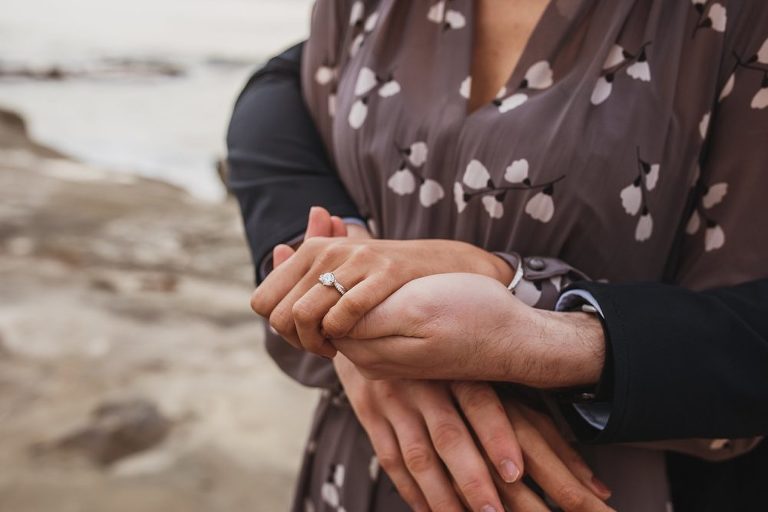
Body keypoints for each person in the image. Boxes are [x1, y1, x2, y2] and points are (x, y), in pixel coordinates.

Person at [227, 1, 768, 510]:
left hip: (621, 478)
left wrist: (546, 336)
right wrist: (341, 297)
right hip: (372, 462)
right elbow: (281, 90)